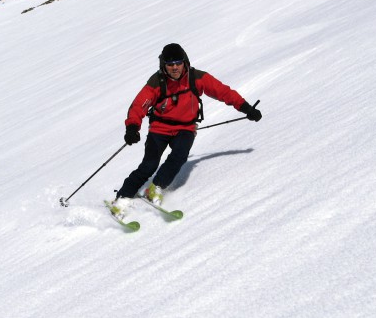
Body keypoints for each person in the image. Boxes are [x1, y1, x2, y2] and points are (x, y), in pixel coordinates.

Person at [110, 43, 262, 219]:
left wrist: (247, 109)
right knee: (149, 165)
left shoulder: (197, 78)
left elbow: (224, 92)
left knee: (180, 155)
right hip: (160, 128)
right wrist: (132, 127)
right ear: (163, 65)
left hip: (185, 127)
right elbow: (139, 105)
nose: (175, 67)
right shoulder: (157, 82)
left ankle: (156, 187)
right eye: (170, 64)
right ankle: (122, 197)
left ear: (185, 62)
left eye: (178, 63)